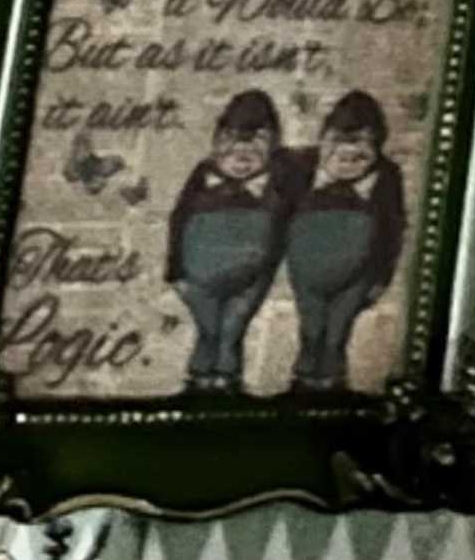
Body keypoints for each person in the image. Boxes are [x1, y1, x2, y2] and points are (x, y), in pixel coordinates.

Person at [165, 93, 297, 392]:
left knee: (231, 332)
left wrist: (262, 277)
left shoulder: (279, 181)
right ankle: (198, 386)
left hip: (249, 279)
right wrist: (175, 272)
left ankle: (227, 386)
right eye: (231, 144)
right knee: (208, 330)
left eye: (256, 146)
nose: (241, 159)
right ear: (218, 142)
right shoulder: (202, 175)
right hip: (199, 277)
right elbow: (179, 220)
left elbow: (279, 235)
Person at [278, 93, 408, 395]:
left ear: (378, 147)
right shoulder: (298, 165)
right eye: (337, 140)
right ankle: (303, 381)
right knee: (311, 328)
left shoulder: (387, 176)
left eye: (363, 145)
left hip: (358, 272)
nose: (348, 156)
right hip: (308, 267)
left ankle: (333, 387)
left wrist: (380, 278)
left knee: (337, 332)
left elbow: (393, 229)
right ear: (322, 140)